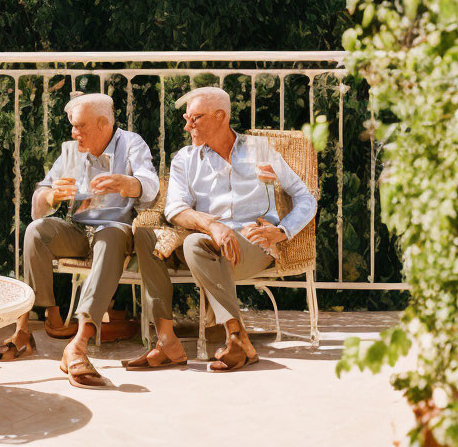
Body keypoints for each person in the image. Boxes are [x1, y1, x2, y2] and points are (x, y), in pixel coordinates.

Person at [126, 86, 316, 372]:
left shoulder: (259, 150)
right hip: (206, 247)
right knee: (147, 236)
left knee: (194, 245)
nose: (188, 125)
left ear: (220, 116)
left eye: (196, 118)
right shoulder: (185, 159)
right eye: (187, 118)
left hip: (252, 243)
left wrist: (284, 231)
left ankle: (237, 339)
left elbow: (305, 197)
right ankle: (168, 342)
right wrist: (212, 226)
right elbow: (175, 209)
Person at [0, 93, 159, 388]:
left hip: (116, 229)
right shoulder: (73, 151)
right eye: (72, 126)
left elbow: (151, 186)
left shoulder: (131, 143)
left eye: (80, 126)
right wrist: (50, 196)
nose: (74, 133)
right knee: (36, 231)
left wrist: (127, 183)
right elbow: (39, 201)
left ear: (103, 123)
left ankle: (78, 343)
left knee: (111, 234)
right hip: (79, 231)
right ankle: (36, 324)